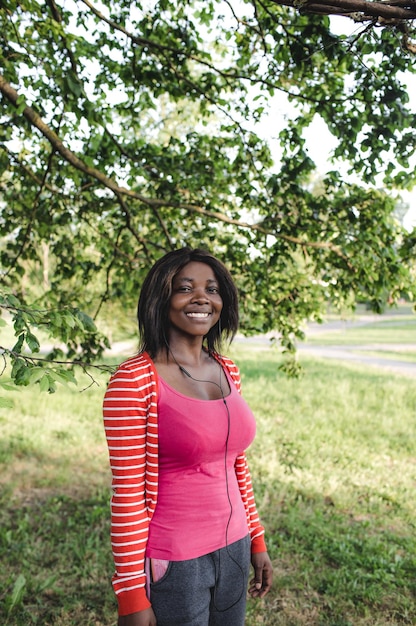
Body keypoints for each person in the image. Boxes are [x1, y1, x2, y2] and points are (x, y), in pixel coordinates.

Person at [103, 247, 273, 626]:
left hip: (234, 546)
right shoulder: (133, 381)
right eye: (186, 288)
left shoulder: (227, 369)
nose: (202, 298)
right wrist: (131, 592)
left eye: (212, 289)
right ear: (161, 299)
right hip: (176, 561)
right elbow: (128, 492)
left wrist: (256, 538)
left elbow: (235, 464)